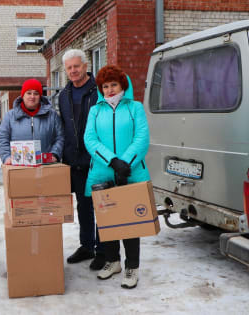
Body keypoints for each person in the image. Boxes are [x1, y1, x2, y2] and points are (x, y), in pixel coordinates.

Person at [84, 65, 150, 289]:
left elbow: (142, 138)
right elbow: (90, 139)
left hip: (130, 173)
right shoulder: (95, 110)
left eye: (113, 84)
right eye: (105, 86)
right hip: (103, 172)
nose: (110, 89)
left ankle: (132, 267)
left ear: (123, 85)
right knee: (107, 222)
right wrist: (113, 161)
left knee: (130, 223)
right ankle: (112, 262)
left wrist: (125, 164)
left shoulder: (135, 108)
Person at [58, 49, 105, 270]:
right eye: (69, 68)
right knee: (83, 206)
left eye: (76, 66)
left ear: (85, 66)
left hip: (98, 159)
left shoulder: (99, 91)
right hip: (75, 161)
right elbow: (66, 127)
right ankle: (87, 246)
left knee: (102, 206)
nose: (73, 71)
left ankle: (104, 250)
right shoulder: (64, 95)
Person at [0, 78, 64, 164]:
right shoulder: (10, 116)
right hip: (19, 167)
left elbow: (60, 137)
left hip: (45, 166)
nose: (32, 97)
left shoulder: (52, 115)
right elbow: (2, 139)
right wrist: (6, 157)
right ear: (23, 95)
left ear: (40, 96)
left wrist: (55, 154)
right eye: (29, 93)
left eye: (36, 93)